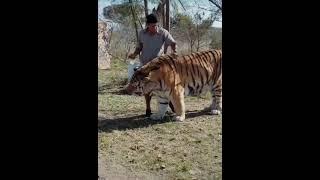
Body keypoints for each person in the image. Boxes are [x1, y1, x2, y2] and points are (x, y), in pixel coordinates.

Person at [128, 13, 177, 117]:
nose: (154, 28)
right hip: (145, 65)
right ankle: (148, 109)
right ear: (147, 25)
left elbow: (173, 42)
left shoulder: (163, 33)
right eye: (152, 26)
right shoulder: (142, 33)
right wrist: (134, 54)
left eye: (156, 25)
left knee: (165, 87)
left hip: (159, 66)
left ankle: (172, 107)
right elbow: (139, 47)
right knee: (146, 88)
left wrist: (174, 52)